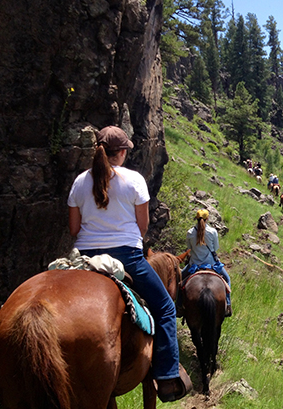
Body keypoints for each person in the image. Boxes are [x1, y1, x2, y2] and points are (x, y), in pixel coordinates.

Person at [67, 126, 191, 402]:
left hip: (85, 256)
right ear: (122, 153)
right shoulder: (134, 180)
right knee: (166, 308)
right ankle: (168, 376)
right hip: (127, 257)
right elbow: (142, 227)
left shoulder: (79, 182)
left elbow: (74, 229)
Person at [186, 209, 232, 317]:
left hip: (194, 265)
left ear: (196, 218)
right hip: (211, 265)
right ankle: (228, 305)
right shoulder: (212, 232)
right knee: (227, 279)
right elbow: (215, 248)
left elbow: (189, 249)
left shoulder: (190, 233)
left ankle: (179, 306)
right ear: (207, 219)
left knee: (180, 282)